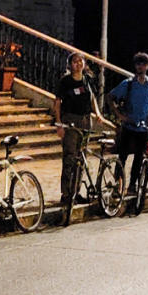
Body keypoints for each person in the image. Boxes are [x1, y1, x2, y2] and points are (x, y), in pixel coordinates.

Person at [53, 52, 106, 225]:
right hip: (70, 119)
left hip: (85, 120)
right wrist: (59, 123)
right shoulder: (65, 81)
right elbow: (57, 102)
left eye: (80, 61)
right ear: (70, 65)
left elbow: (92, 98)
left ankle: (76, 191)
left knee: (81, 157)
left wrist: (97, 114)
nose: (78, 64)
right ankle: (66, 193)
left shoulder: (87, 79)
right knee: (69, 156)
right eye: (74, 62)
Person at [108, 52, 148, 216]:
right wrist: (120, 116)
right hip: (128, 126)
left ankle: (133, 184)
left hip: (143, 127)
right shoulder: (128, 84)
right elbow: (111, 97)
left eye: (143, 64)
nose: (141, 67)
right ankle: (118, 184)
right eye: (138, 64)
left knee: (139, 157)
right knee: (122, 156)